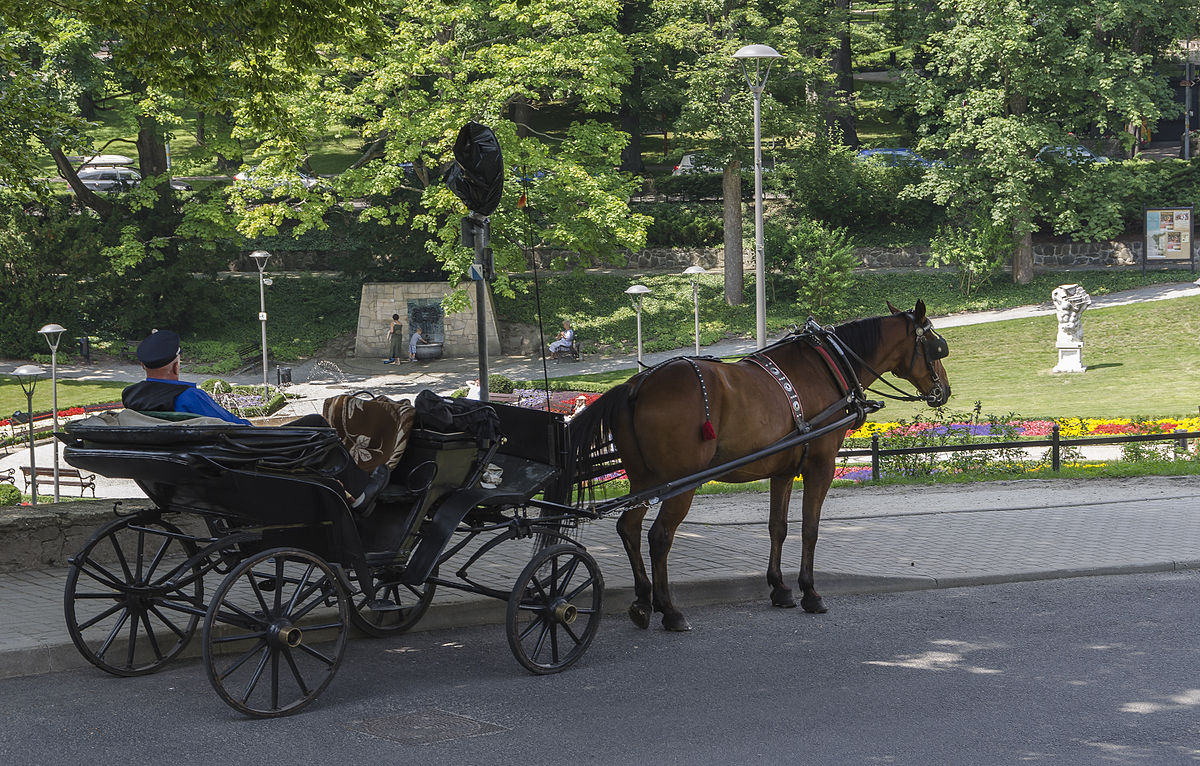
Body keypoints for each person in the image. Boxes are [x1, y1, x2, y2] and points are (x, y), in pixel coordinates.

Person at [121, 330, 388, 511]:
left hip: (190, 474)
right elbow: (235, 430)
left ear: (144, 367)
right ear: (176, 365)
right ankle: (360, 491)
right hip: (240, 462)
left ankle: (336, 490)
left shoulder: (132, 398)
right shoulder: (187, 397)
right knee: (316, 424)